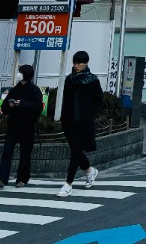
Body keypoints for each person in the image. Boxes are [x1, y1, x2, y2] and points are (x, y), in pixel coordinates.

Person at [0, 64, 44, 188]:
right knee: (7, 152)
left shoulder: (34, 90)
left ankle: (22, 179)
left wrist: (22, 104)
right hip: (13, 125)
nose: (18, 74)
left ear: (26, 74)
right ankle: (1, 179)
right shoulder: (14, 89)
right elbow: (3, 107)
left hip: (28, 126)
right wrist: (10, 106)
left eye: (20, 72)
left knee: (25, 154)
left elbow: (38, 107)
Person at [58, 50, 103, 197]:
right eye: (75, 63)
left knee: (75, 151)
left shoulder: (92, 80)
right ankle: (90, 171)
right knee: (76, 150)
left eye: (80, 63)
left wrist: (89, 113)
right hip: (68, 120)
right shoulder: (69, 79)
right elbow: (65, 100)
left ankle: (68, 184)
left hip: (83, 121)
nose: (76, 66)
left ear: (86, 63)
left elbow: (99, 100)